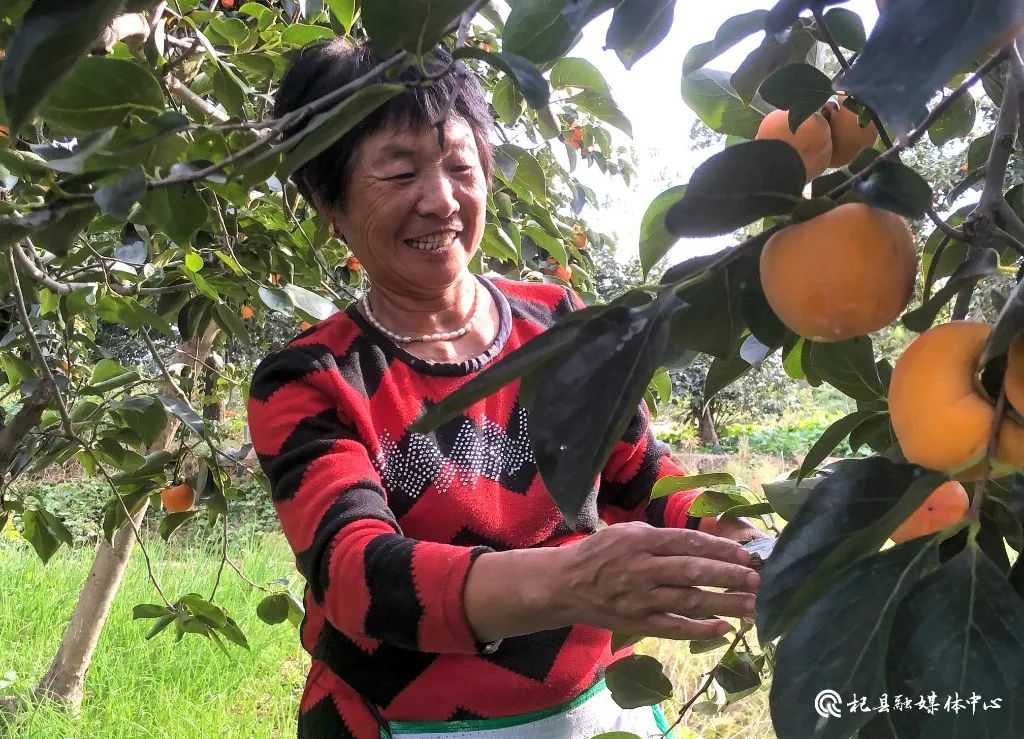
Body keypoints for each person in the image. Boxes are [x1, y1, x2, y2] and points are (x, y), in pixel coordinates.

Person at [247, 37, 765, 739]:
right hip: (395, 723)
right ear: (329, 202)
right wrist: (569, 582)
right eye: (399, 174)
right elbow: (359, 576)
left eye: (461, 166)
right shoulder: (312, 378)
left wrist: (750, 545)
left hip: (591, 713)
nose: (441, 200)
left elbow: (642, 475)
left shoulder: (558, 322)